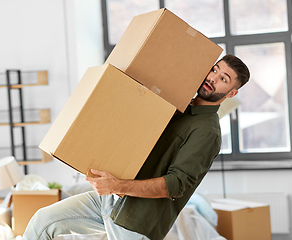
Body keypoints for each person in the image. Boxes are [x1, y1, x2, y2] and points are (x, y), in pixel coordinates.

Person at [21, 54, 250, 240]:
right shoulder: (178, 105)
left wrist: (116, 184)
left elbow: (176, 184)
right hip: (111, 198)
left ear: (231, 93)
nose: (213, 78)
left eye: (224, 78)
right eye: (214, 69)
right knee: (43, 221)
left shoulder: (207, 131)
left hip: (137, 221)